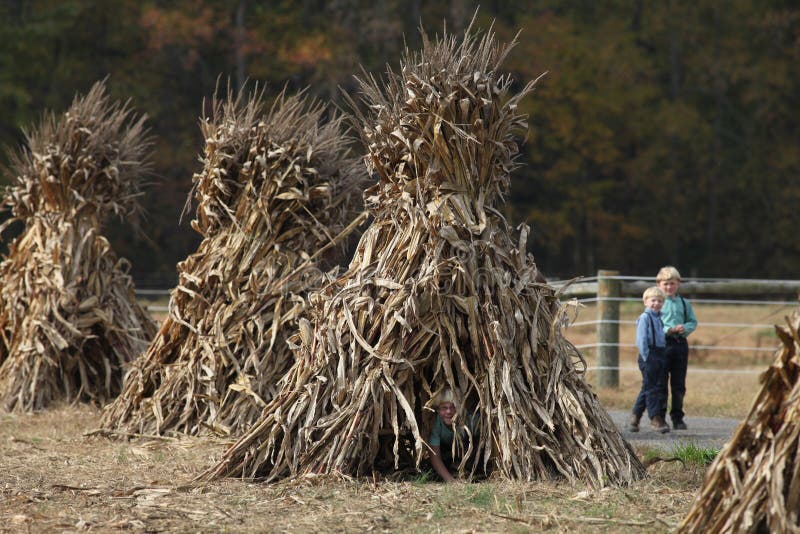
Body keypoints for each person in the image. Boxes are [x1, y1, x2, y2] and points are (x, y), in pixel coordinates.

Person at [656, 266, 698, 430]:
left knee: (678, 383)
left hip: (680, 344)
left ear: (678, 284)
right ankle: (660, 416)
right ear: (659, 284)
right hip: (662, 345)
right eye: (665, 284)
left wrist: (684, 328)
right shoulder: (657, 303)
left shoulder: (684, 303)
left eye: (672, 284)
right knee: (661, 383)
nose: (669, 287)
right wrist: (668, 330)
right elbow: (654, 323)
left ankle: (677, 416)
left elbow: (693, 322)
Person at [628, 286, 670, 433]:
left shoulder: (659, 318)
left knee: (648, 386)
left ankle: (635, 417)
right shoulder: (645, 318)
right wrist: (646, 357)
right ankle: (655, 419)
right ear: (645, 301)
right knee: (652, 388)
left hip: (659, 354)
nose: (656, 303)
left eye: (659, 301)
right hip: (648, 355)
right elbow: (641, 340)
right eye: (653, 300)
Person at [428, 388, 477, 482]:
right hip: (445, 454)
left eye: (453, 407)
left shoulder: (470, 420)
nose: (449, 412)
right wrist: (450, 480)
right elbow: (434, 455)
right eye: (444, 408)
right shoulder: (436, 423)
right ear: (438, 410)